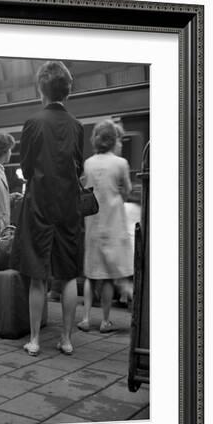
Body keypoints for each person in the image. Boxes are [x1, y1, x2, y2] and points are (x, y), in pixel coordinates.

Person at [10, 60, 84, 357]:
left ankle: (35, 340)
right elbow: (77, 167)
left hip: (39, 203)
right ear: (68, 91)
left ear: (41, 88)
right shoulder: (77, 126)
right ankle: (66, 339)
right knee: (67, 275)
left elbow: (26, 168)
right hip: (68, 206)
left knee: (37, 274)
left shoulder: (33, 123)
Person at [77, 120, 133, 333]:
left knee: (91, 273)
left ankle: (85, 317)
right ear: (113, 140)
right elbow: (126, 191)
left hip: (92, 222)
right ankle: (105, 321)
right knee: (108, 276)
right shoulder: (121, 163)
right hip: (112, 222)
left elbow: (84, 187)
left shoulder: (89, 163)